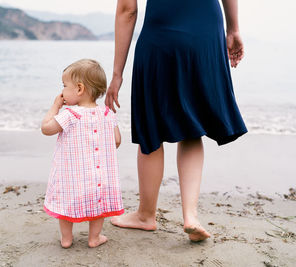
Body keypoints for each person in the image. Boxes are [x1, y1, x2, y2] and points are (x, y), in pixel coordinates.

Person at [105, 0, 247, 242]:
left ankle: (146, 215)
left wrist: (117, 73)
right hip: (206, 33)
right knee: (192, 127)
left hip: (161, 35)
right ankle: (190, 216)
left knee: (151, 128)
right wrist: (233, 29)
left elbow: (127, 9)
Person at [41, 59, 124, 248]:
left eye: (64, 86)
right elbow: (117, 141)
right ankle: (94, 238)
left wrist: (55, 106)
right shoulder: (107, 114)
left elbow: (46, 128)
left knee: (66, 205)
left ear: (79, 89)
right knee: (98, 206)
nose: (61, 91)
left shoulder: (70, 115)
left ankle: (67, 239)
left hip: (72, 177)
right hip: (99, 177)